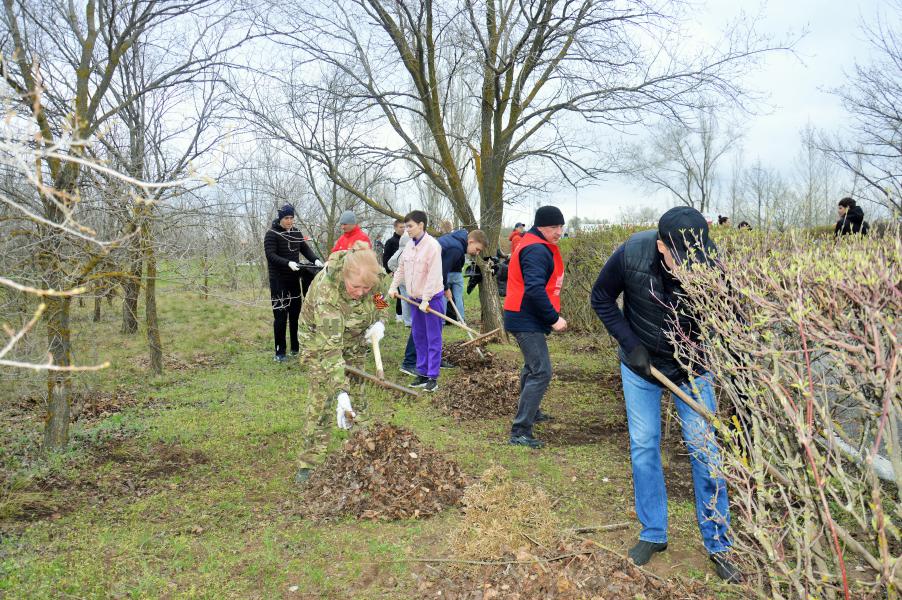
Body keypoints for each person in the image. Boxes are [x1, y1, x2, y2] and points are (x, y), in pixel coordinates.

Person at [589, 206, 740, 583]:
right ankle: (653, 533)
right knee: (644, 445)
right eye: (680, 258)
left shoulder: (711, 264)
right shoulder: (631, 253)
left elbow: (730, 320)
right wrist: (630, 343)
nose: (690, 267)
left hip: (693, 370)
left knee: (705, 451)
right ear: (660, 246)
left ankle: (719, 542)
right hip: (640, 367)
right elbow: (601, 298)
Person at [295, 242, 387, 483]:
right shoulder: (328, 293)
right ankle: (309, 462)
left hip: (356, 340)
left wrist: (380, 323)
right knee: (322, 398)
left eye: (365, 288)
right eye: (355, 286)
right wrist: (339, 392)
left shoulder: (375, 281)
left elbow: (380, 302)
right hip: (319, 344)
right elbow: (330, 350)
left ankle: (363, 454)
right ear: (345, 276)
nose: (360, 292)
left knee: (358, 396)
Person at [505, 206, 567, 449]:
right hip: (525, 317)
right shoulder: (536, 250)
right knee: (541, 371)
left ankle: (532, 412)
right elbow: (534, 289)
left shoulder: (532, 243)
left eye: (561, 227)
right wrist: (553, 318)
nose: (559, 232)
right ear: (540, 227)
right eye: (553, 228)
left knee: (532, 367)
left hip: (522, 314)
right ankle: (520, 431)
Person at [399, 228, 488, 376]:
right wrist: (445, 288)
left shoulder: (454, 240)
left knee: (433, 325)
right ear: (471, 241)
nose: (476, 252)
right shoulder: (456, 248)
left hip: (428, 283)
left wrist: (445, 288)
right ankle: (409, 362)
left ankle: (434, 358)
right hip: (424, 285)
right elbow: (440, 272)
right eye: (477, 249)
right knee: (422, 325)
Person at [388, 210, 444, 392]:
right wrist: (393, 287)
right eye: (405, 227)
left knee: (433, 338)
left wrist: (426, 300)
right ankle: (421, 372)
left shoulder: (433, 246)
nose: (407, 230)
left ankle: (432, 377)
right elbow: (401, 269)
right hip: (414, 299)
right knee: (419, 336)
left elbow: (433, 276)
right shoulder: (409, 246)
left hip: (431, 300)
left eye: (410, 226)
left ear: (421, 225)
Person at [263, 204, 323, 362]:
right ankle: (280, 352)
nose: (289, 221)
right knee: (280, 317)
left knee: (295, 315)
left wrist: (315, 259)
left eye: (291, 218)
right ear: (281, 218)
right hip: (278, 281)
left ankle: (295, 347)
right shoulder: (272, 234)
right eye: (286, 218)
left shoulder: (296, 233)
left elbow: (305, 249)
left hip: (294, 280)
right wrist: (287, 263)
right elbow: (270, 255)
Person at [382, 220, 406, 322]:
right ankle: (399, 315)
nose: (403, 229)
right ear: (395, 228)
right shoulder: (390, 242)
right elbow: (386, 258)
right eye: (401, 227)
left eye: (404, 227)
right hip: (396, 271)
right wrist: (389, 271)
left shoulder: (408, 240)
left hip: (408, 272)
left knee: (406, 294)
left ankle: (406, 315)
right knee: (399, 294)